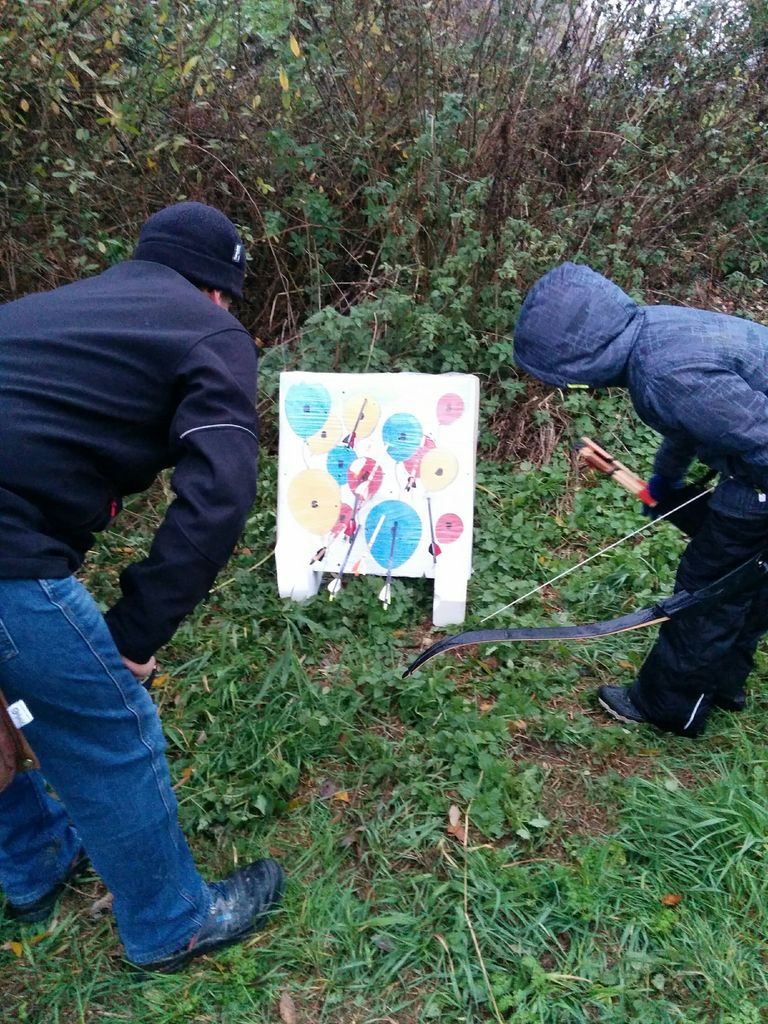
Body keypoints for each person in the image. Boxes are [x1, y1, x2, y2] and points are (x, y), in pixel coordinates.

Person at [0, 202, 284, 971]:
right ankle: (171, 923)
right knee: (112, 732)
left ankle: (32, 859)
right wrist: (133, 636)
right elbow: (220, 493)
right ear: (218, 291)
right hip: (9, 549)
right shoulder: (209, 329)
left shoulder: (43, 311)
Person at [513, 261, 768, 737]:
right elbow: (691, 421)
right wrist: (665, 481)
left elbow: (761, 438)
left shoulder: (662, 371)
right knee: (745, 582)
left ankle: (668, 708)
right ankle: (722, 684)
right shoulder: (654, 333)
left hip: (759, 474)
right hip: (754, 467)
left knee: (707, 591)